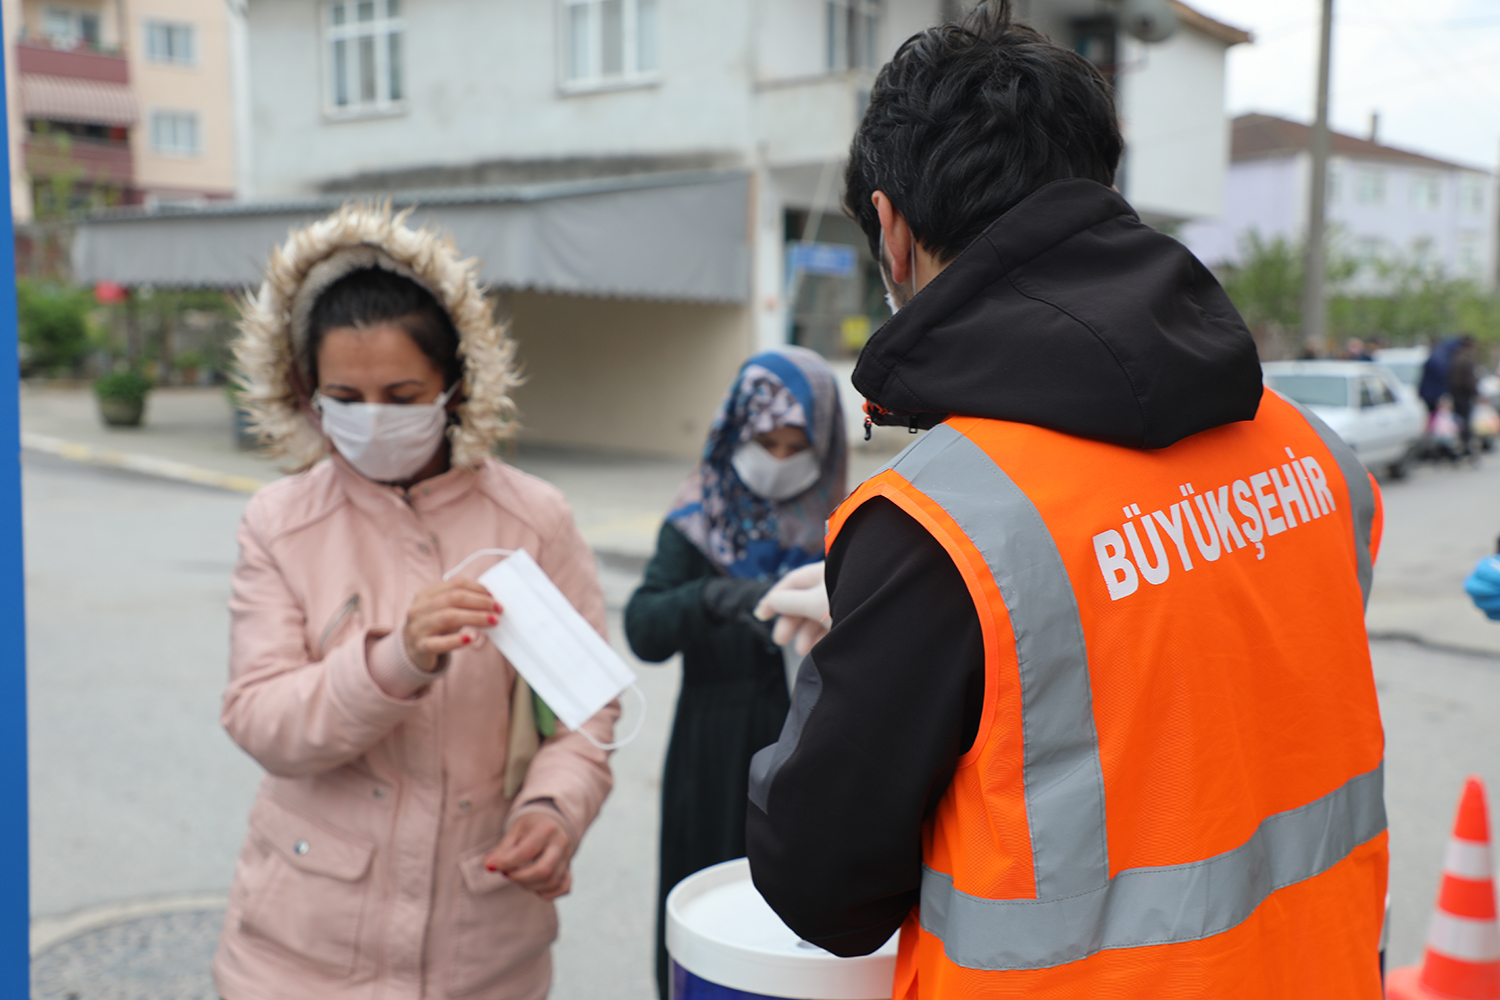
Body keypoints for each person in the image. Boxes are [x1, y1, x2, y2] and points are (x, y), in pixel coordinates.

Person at [746, 4, 1388, 998]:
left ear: (891, 229)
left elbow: (823, 889)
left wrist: (861, 666)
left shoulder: (940, 529)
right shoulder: (1316, 455)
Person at [213, 204, 617, 1000]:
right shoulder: (280, 524)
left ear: (454, 385)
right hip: (301, 956)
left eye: (401, 394)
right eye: (346, 396)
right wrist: (395, 661)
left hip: (482, 951)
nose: (372, 418)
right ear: (307, 392)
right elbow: (262, 719)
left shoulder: (532, 521)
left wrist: (554, 810)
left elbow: (584, 710)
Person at [624, 347, 846, 999]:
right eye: (763, 441)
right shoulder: (699, 522)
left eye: (794, 444)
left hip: (809, 755)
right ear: (735, 432)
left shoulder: (847, 527)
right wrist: (715, 598)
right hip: (711, 751)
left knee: (799, 935)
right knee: (704, 922)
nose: (777, 460)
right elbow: (644, 626)